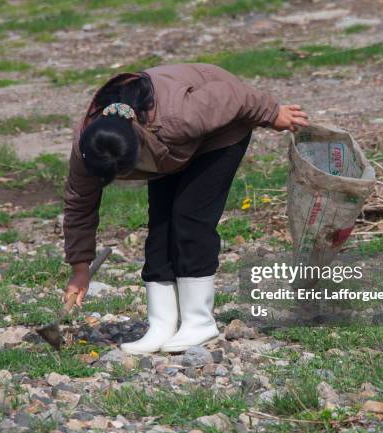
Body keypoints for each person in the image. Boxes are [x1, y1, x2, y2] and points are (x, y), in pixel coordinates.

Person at [62, 63, 308, 354]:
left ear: (136, 146)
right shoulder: (88, 148)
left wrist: (272, 113)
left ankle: (198, 322)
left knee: (190, 220)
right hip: (169, 149)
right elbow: (80, 203)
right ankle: (161, 324)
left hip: (219, 134)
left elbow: (233, 95)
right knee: (161, 228)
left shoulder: (179, 116)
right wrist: (80, 268)